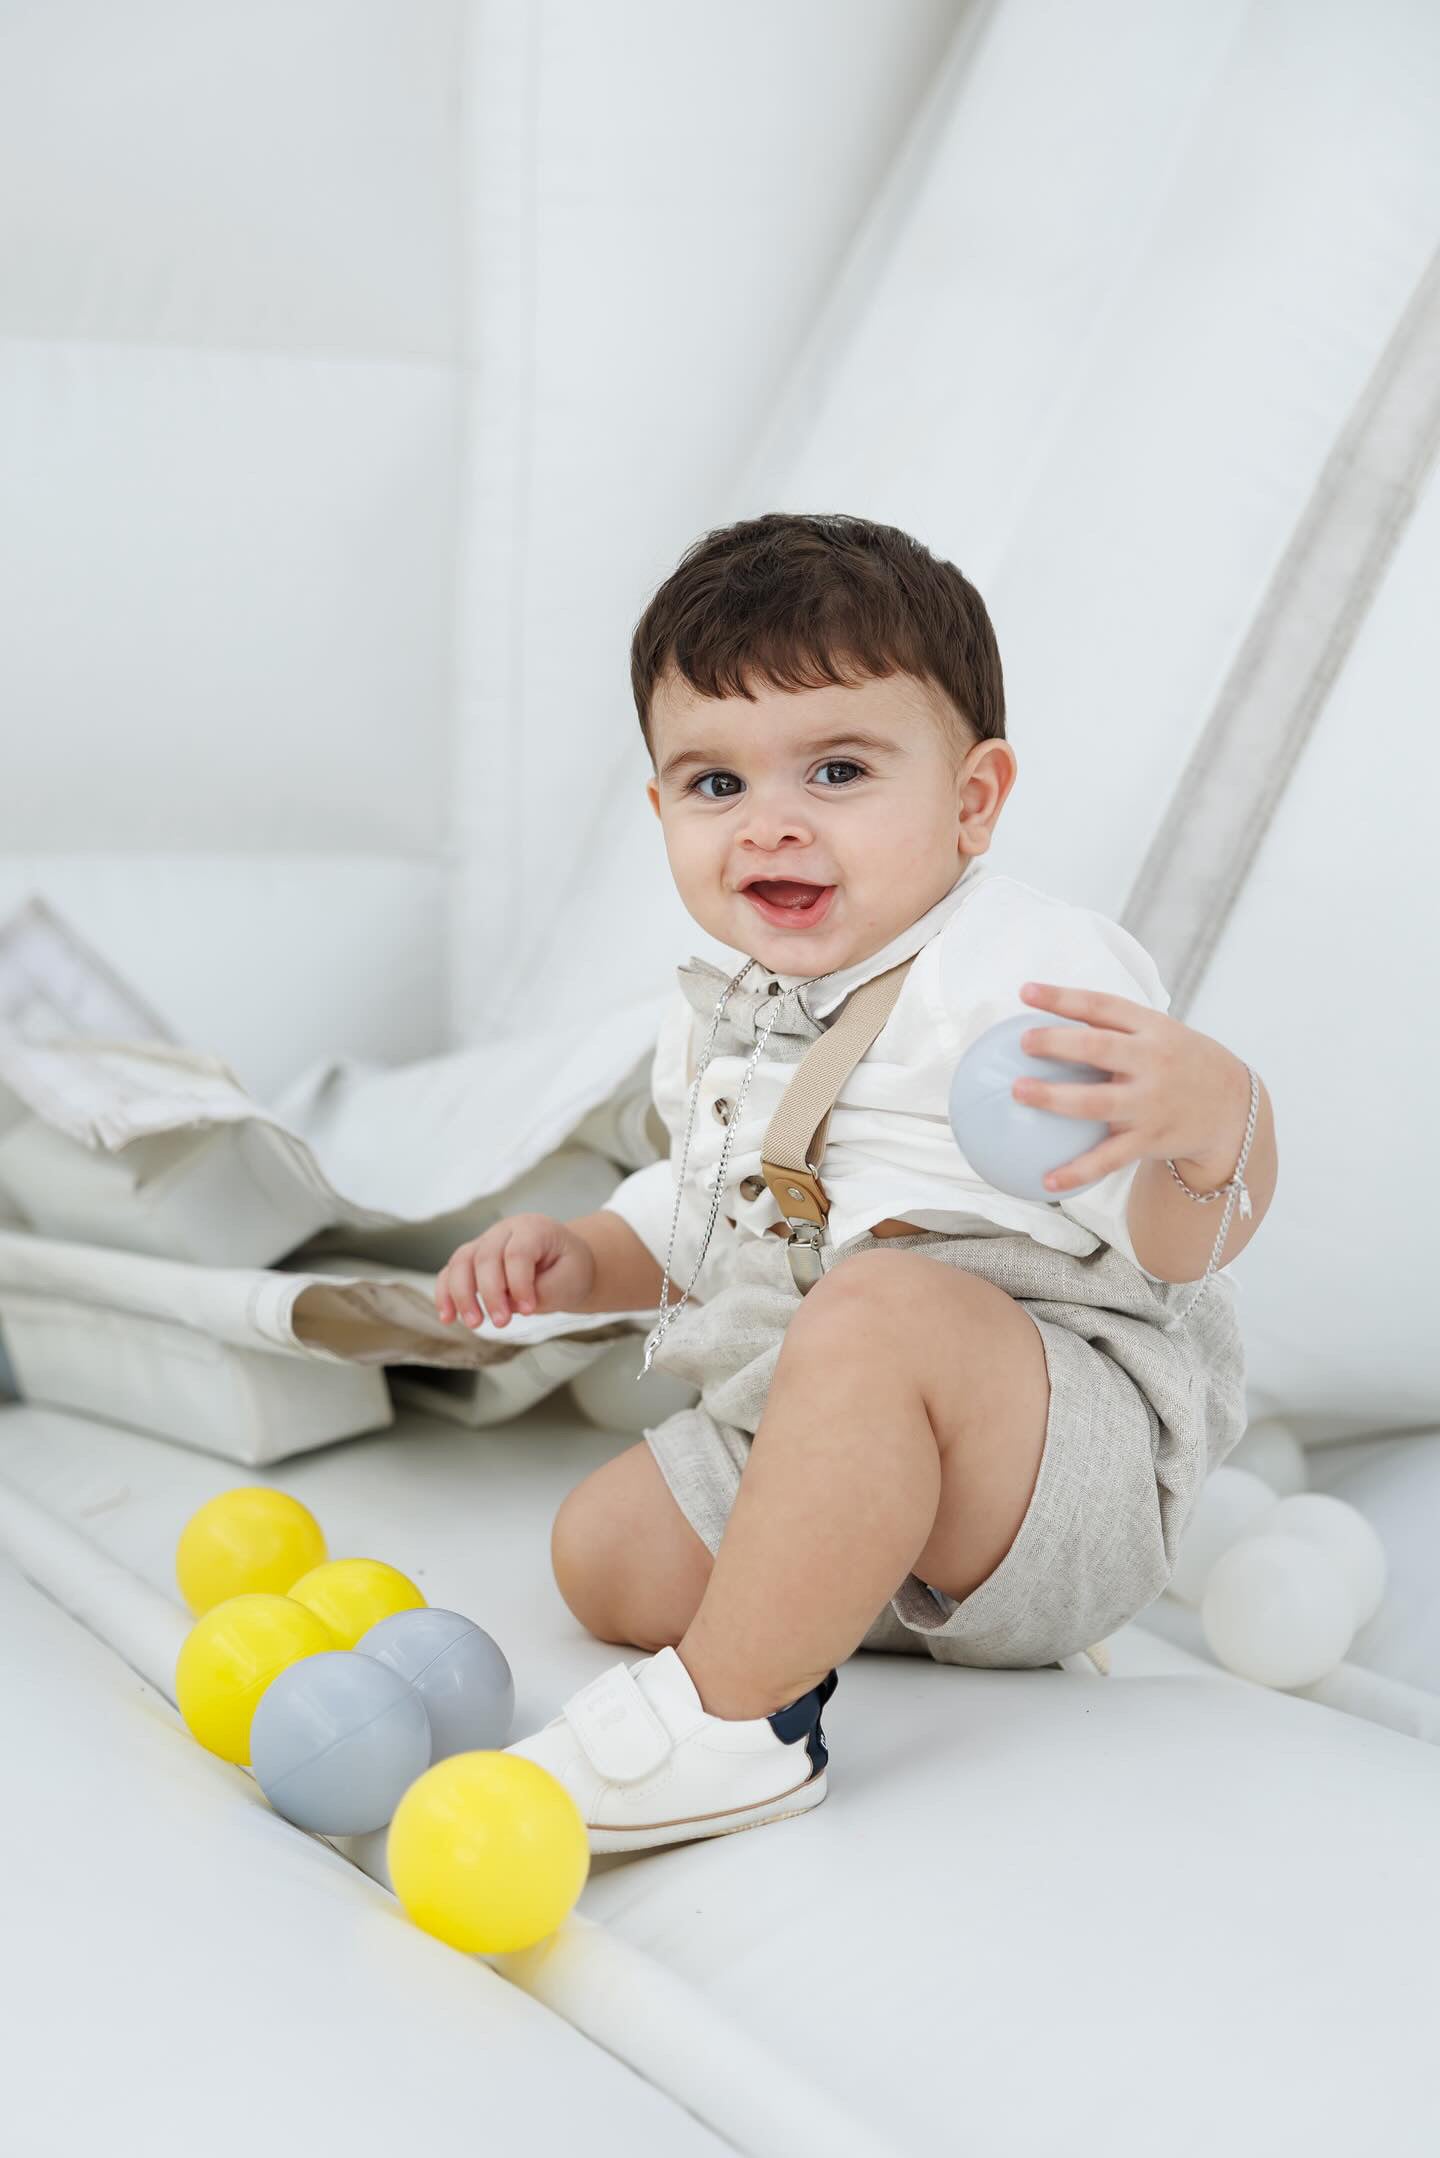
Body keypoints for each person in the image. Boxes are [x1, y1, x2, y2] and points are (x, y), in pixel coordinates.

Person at [434, 511, 1276, 1857]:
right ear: (658, 809)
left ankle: (739, 1722)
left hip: (1055, 1442)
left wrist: (1213, 1125)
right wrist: (583, 1256)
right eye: (715, 786)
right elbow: (712, 1210)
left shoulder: (1025, 964)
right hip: (828, 1397)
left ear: (971, 798)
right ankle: (838, 1562)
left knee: (884, 1305)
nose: (771, 823)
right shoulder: (728, 1015)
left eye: (835, 769)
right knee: (602, 1554)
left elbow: (1177, 1243)